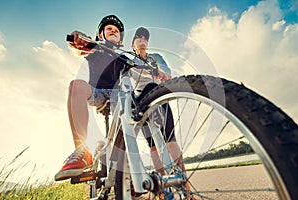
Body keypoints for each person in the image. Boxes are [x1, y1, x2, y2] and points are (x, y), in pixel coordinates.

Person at [54, 14, 126, 181]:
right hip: (98, 92)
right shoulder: (97, 48)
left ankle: (127, 165)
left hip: (119, 94)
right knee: (76, 85)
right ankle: (81, 151)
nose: (113, 32)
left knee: (124, 98)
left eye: (116, 31)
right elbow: (79, 47)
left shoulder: (124, 57)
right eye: (109, 29)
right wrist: (77, 38)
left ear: (121, 40)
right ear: (101, 35)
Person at [131, 27, 196, 200]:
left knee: (171, 140)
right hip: (140, 103)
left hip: (159, 97)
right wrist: (148, 71)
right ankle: (162, 192)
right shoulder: (129, 61)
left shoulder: (157, 58)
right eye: (138, 36)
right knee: (152, 146)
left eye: (145, 37)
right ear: (132, 45)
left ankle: (187, 192)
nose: (143, 38)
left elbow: (168, 75)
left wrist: (159, 72)